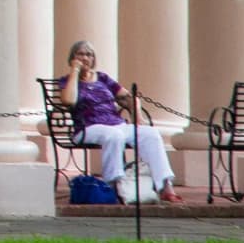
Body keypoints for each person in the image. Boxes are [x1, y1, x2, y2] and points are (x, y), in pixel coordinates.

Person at [63, 41, 176, 199]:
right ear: (72, 57)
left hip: (117, 124)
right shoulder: (68, 81)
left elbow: (130, 98)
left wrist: (137, 114)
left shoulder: (103, 78)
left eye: (88, 54)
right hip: (88, 127)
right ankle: (114, 184)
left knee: (150, 134)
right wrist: (75, 71)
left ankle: (165, 185)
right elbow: (68, 100)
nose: (84, 58)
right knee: (113, 135)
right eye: (80, 54)